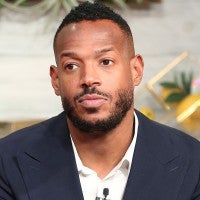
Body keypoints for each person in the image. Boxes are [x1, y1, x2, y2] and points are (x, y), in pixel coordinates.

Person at [1, 1, 200, 200]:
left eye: (106, 62)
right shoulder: (7, 162)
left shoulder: (193, 163)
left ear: (136, 71)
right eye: (71, 66)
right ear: (56, 80)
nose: (88, 78)